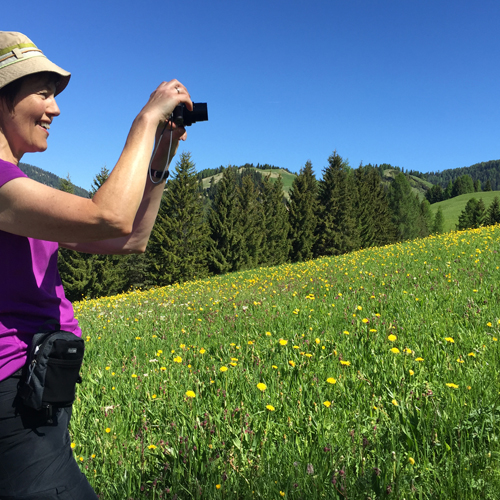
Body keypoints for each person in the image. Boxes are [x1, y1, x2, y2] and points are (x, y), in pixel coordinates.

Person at [0, 31, 192, 499]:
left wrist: (160, 156)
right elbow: (107, 214)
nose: (55, 109)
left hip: (37, 390)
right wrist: (145, 122)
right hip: (10, 398)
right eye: (42, 93)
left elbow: (129, 238)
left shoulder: (19, 191)